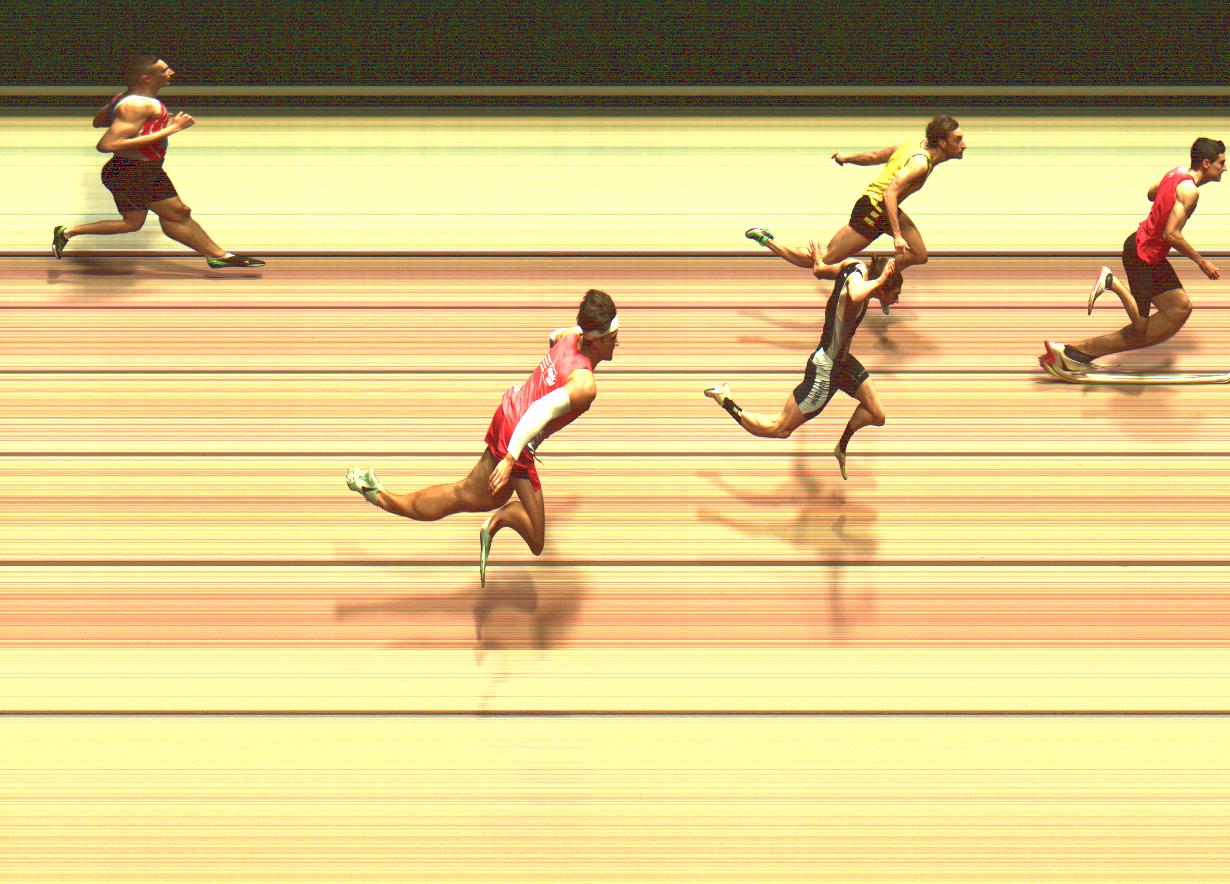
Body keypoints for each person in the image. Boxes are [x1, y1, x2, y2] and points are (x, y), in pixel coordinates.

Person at [346, 289, 620, 586]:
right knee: (537, 540)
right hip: (518, 439)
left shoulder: (570, 336)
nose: (617, 343)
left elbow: (553, 337)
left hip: (507, 412)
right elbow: (538, 412)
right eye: (612, 338)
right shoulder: (584, 384)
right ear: (595, 341)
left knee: (465, 494)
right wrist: (510, 459)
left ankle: (376, 494)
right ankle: (496, 522)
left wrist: (548, 379)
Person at [51, 53, 265, 270]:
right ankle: (66, 232)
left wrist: (148, 123)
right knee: (140, 222)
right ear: (146, 78)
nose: (171, 72)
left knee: (171, 214)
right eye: (164, 70)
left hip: (144, 170)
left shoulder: (126, 98)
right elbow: (107, 144)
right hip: (130, 173)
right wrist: (173, 128)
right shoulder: (138, 104)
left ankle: (218, 256)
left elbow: (99, 121)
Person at [704, 248, 898, 479]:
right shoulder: (858, 289)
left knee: (877, 414)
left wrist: (819, 265)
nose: (897, 299)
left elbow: (821, 270)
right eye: (895, 294)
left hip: (844, 364)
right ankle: (726, 400)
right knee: (780, 428)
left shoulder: (854, 264)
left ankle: (840, 448)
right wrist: (881, 280)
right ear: (881, 287)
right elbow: (855, 295)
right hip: (826, 369)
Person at [1044, 137, 1225, 373]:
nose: (1224, 168)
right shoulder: (1191, 192)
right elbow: (1171, 234)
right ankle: (1111, 282)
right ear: (1206, 163)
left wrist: (1165, 203)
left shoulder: (1176, 173)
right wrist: (1202, 262)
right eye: (1221, 163)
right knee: (1141, 326)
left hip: (1149, 252)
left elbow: (1151, 193)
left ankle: (1075, 354)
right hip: (1142, 255)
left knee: (1179, 308)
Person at [745, 114, 965, 288]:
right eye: (958, 139)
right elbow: (889, 194)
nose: (964, 144)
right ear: (942, 142)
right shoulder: (920, 164)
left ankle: (875, 278)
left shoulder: (912, 144)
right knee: (825, 259)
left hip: (885, 209)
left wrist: (846, 158)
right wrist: (897, 236)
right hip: (873, 210)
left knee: (919, 254)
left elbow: (874, 156)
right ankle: (767, 240)